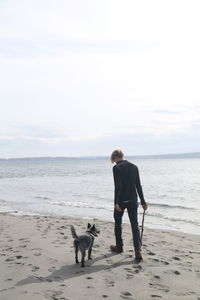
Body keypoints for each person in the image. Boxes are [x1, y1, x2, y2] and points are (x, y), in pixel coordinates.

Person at [110, 149, 148, 261]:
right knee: (134, 225)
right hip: (133, 200)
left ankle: (119, 247)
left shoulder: (116, 168)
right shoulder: (134, 167)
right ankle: (137, 250)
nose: (114, 161)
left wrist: (116, 202)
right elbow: (138, 186)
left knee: (118, 223)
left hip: (121, 201)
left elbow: (118, 186)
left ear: (116, 157)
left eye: (113, 159)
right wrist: (143, 202)